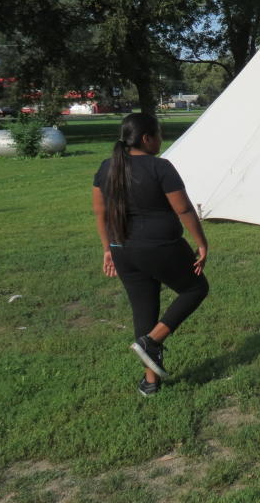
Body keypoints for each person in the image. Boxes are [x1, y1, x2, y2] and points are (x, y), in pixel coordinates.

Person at [92, 113, 209, 397]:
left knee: (144, 310)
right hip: (160, 247)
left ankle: (150, 382)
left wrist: (108, 248)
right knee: (196, 288)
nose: (161, 139)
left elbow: (100, 212)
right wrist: (202, 243)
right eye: (158, 133)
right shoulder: (160, 167)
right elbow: (183, 209)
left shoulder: (107, 167)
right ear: (146, 138)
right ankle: (152, 342)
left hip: (123, 251)